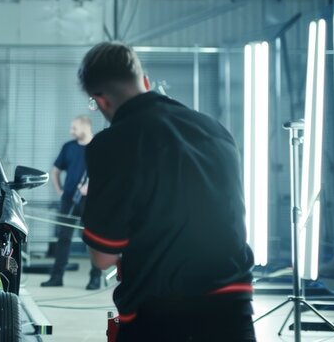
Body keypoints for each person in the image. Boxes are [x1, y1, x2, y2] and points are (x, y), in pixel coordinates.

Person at [78, 42, 255, 341]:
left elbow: (103, 257)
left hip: (161, 315)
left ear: (100, 99)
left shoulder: (113, 144)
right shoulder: (214, 129)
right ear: (144, 80)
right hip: (233, 307)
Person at [41, 116, 103, 290]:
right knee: (63, 238)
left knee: (94, 240)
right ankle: (56, 277)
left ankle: (95, 278)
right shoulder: (68, 147)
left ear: (85, 127)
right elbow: (55, 171)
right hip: (69, 199)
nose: (71, 131)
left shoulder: (99, 147)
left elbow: (109, 174)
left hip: (92, 200)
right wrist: (61, 191)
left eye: (74, 128)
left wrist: (91, 186)